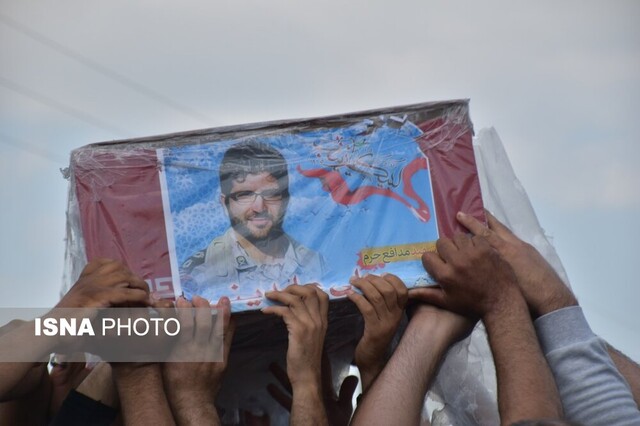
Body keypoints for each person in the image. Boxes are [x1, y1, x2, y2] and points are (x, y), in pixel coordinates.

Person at [181, 140, 326, 302]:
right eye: (244, 195)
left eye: (271, 194)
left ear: (285, 199)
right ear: (225, 203)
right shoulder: (198, 271)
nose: (259, 207)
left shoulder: (316, 264)